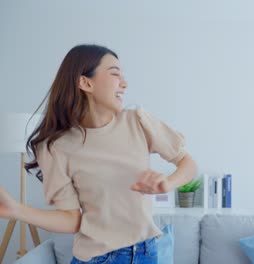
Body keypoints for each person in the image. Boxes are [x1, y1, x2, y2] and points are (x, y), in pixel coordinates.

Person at [0, 44, 197, 263]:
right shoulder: (57, 146)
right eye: (115, 74)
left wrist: (168, 184)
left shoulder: (138, 121)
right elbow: (71, 220)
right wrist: (17, 210)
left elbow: (187, 162)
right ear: (85, 82)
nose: (124, 83)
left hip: (145, 254)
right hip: (96, 258)